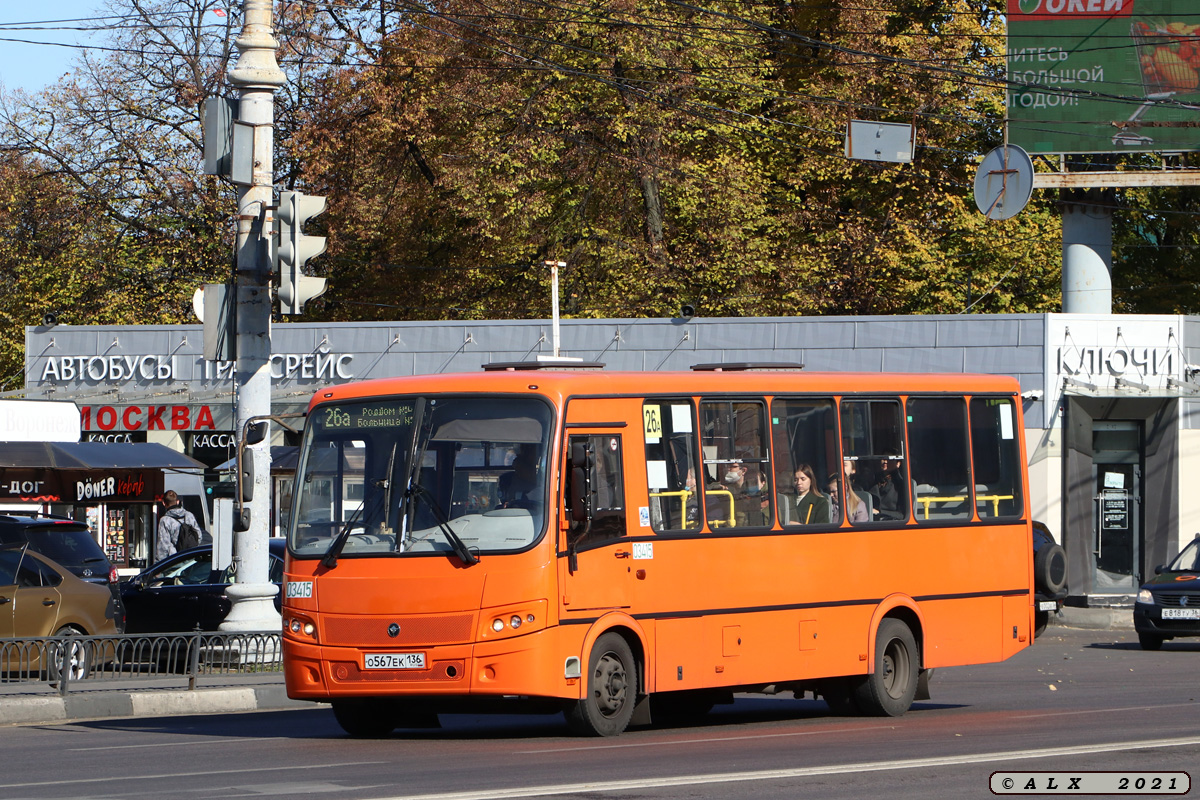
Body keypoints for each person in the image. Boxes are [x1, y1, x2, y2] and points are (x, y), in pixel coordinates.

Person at [155, 490, 203, 562]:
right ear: (177, 501)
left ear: (163, 503)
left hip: (175, 561)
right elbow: (198, 535)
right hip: (191, 560)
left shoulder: (165, 520)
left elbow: (163, 546)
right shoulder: (189, 515)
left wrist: (159, 565)